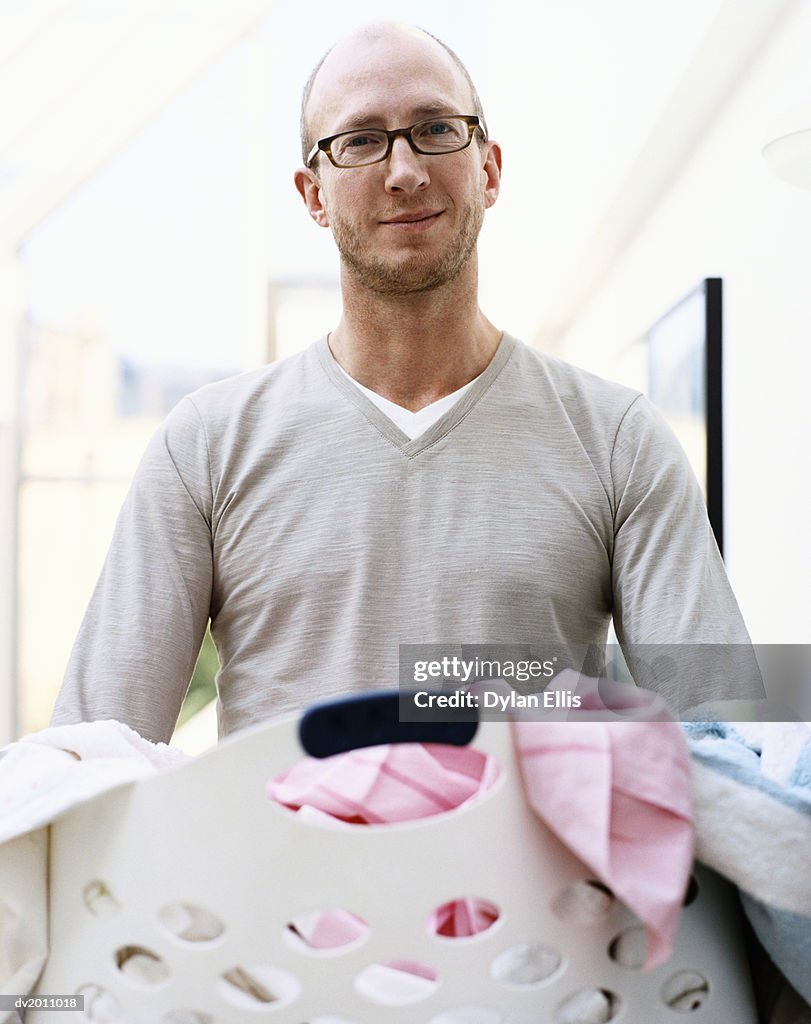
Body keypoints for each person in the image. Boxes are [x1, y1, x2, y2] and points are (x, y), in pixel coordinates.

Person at [51, 21, 755, 745]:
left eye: (435, 128)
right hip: (279, 860)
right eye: (359, 140)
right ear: (313, 194)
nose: (404, 170)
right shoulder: (204, 446)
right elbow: (93, 755)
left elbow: (726, 743)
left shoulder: (617, 441)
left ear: (489, 169)